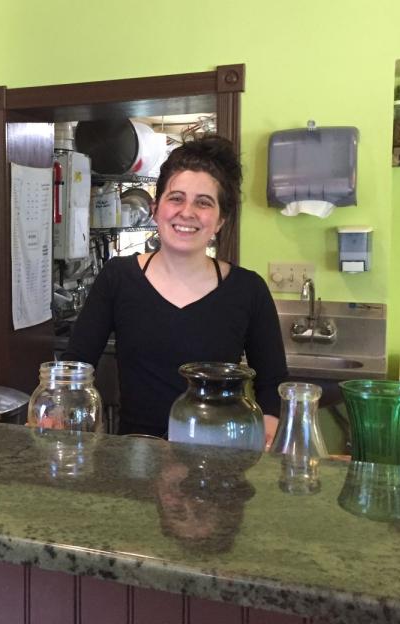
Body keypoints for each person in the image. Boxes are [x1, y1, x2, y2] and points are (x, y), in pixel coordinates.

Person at [62, 135, 286, 441]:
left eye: (203, 203)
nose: (187, 212)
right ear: (156, 209)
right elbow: (76, 366)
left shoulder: (248, 290)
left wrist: (265, 441)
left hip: (215, 459)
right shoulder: (117, 277)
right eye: (176, 198)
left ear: (221, 220)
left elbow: (273, 385)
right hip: (137, 458)